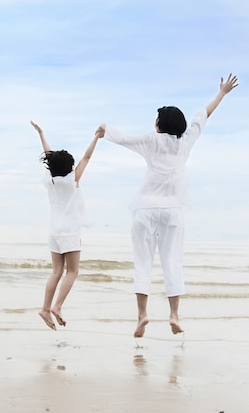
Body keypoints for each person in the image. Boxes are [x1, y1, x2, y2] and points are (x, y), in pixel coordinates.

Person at [97, 74, 239, 338]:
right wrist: (222, 93)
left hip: (145, 209)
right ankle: (174, 316)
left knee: (143, 262)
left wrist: (105, 129)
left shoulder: (151, 141)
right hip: (174, 210)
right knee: (173, 262)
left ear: (159, 126)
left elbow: (123, 138)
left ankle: (143, 315)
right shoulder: (185, 142)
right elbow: (203, 115)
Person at [31, 120, 104, 330]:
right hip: (69, 232)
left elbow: (48, 156)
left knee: (56, 272)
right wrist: (96, 137)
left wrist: (41, 134)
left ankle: (45, 308)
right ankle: (57, 307)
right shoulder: (73, 179)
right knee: (72, 272)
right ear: (70, 167)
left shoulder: (50, 180)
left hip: (53, 232)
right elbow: (87, 157)